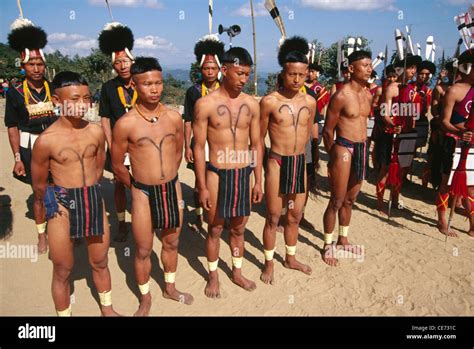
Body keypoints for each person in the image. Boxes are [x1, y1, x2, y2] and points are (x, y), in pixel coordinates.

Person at [31, 71, 119, 316]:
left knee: (100, 262)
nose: (83, 105)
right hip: (61, 205)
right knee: (62, 268)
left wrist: (88, 191)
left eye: (87, 98)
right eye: (75, 99)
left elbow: (99, 166)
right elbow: (39, 186)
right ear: (57, 102)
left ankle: (107, 309)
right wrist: (52, 208)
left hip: (91, 198)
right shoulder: (46, 141)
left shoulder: (96, 132)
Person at [112, 57, 194, 316]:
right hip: (142, 192)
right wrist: (137, 187)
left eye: (158, 82)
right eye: (147, 83)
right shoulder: (125, 123)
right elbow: (116, 165)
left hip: (171, 188)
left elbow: (179, 151)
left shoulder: (173, 118)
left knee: (171, 242)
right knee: (144, 248)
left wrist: (167, 176)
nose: (154, 88)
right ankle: (145, 296)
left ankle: (170, 287)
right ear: (134, 85)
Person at [193, 47, 263, 298]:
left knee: (238, 229)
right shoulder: (205, 104)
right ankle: (213, 275)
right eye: (240, 73)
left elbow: (256, 144)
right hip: (217, 174)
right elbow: (198, 147)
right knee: (214, 228)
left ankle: (236, 271)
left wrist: (258, 181)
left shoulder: (250, 105)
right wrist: (201, 186)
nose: (244, 79)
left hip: (242, 173)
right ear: (225, 70)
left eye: (247, 74)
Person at [259, 36, 317, 283]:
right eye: (292, 74)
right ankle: (268, 262)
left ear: (307, 75)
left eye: (301, 75)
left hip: (299, 163)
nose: (296, 79)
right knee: (273, 217)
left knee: (294, 216)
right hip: (277, 161)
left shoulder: (311, 102)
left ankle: (290, 257)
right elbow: (257, 139)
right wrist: (262, 169)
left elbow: (310, 137)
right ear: (283, 73)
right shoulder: (270, 101)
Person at [5, 17, 58, 253]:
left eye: (39, 64)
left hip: (56, 147)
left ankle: (64, 226)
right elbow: (12, 126)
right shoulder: (15, 92)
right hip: (30, 148)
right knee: (38, 191)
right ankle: (42, 234)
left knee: (60, 187)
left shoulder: (54, 88)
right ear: (23, 66)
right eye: (31, 64)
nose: (36, 69)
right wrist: (17, 157)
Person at [321, 50, 373, 266]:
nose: (369, 69)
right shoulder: (340, 96)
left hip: (361, 148)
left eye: (370, 65)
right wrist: (334, 157)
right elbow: (327, 131)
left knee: (350, 200)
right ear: (351, 69)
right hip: (343, 147)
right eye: (365, 65)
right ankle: (327, 244)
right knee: (337, 200)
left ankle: (343, 239)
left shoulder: (368, 94)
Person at [98, 22, 136, 242]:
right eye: (118, 62)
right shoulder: (108, 88)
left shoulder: (142, 82)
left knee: (143, 182)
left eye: (126, 61)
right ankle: (121, 222)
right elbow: (104, 117)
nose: (122, 65)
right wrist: (111, 144)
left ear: (132, 60)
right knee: (120, 184)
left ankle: (145, 216)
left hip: (140, 144)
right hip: (118, 145)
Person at [183, 35, 224, 232]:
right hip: (199, 143)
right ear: (200, 69)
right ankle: (199, 215)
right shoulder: (193, 91)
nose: (209, 72)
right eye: (206, 68)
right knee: (200, 182)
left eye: (213, 68)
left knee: (218, 179)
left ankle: (216, 214)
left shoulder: (225, 90)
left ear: (219, 70)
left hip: (220, 143)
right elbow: (188, 119)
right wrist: (187, 146)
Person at [375, 53, 422, 213]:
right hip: (391, 134)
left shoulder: (412, 90)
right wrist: (393, 124)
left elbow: (414, 113)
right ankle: (380, 202)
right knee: (385, 169)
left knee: (401, 169)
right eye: (410, 67)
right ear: (401, 69)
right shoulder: (392, 88)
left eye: (415, 68)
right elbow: (384, 113)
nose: (413, 71)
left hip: (407, 134)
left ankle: (394, 199)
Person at [435, 50, 474, 237]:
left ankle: (473, 223)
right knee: (446, 182)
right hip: (454, 143)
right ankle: (442, 220)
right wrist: (461, 131)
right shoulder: (454, 90)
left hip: (472, 146)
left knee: (471, 185)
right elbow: (444, 121)